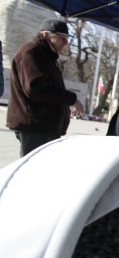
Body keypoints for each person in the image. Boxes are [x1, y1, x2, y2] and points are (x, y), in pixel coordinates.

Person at [6, 18, 85, 157]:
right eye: (61, 38)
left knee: (40, 173)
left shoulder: (47, 55)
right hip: (35, 126)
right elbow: (35, 88)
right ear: (46, 35)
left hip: (43, 126)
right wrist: (71, 99)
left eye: (67, 38)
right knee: (32, 172)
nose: (66, 43)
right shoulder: (31, 51)